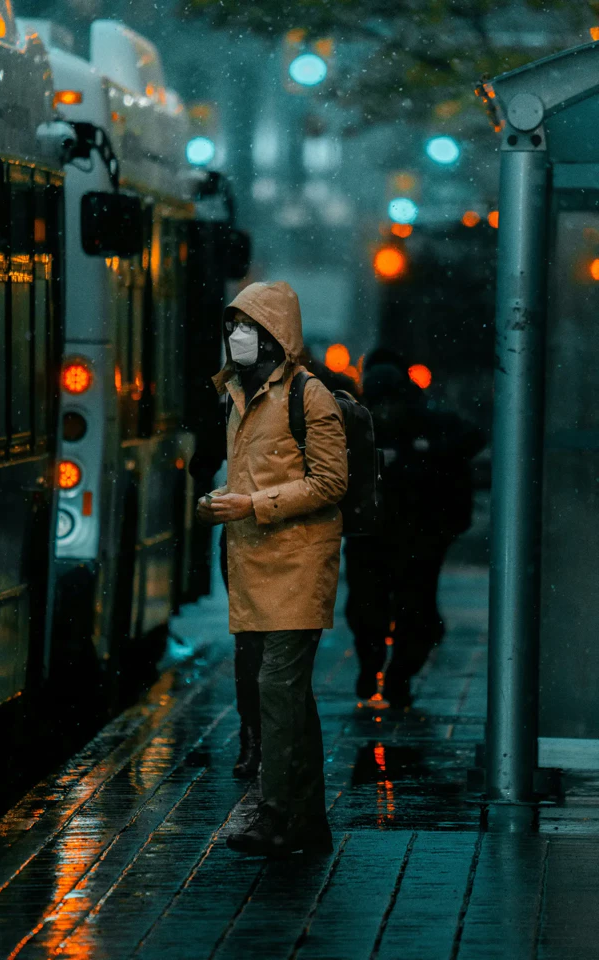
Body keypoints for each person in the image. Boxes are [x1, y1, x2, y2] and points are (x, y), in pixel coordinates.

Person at [197, 281, 348, 857]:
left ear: (274, 337)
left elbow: (331, 483)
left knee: (275, 693)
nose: (237, 336)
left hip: (297, 567)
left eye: (249, 327)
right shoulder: (235, 394)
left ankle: (277, 814)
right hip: (254, 567)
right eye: (232, 325)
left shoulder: (308, 397)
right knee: (286, 699)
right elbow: (254, 476)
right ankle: (306, 821)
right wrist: (219, 500)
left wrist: (254, 506)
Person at [345, 361, 485, 707]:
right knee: (380, 611)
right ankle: (385, 672)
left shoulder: (424, 425)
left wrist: (414, 456)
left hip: (409, 536)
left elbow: (470, 439)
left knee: (403, 611)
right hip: (387, 536)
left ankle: (392, 676)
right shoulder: (370, 425)